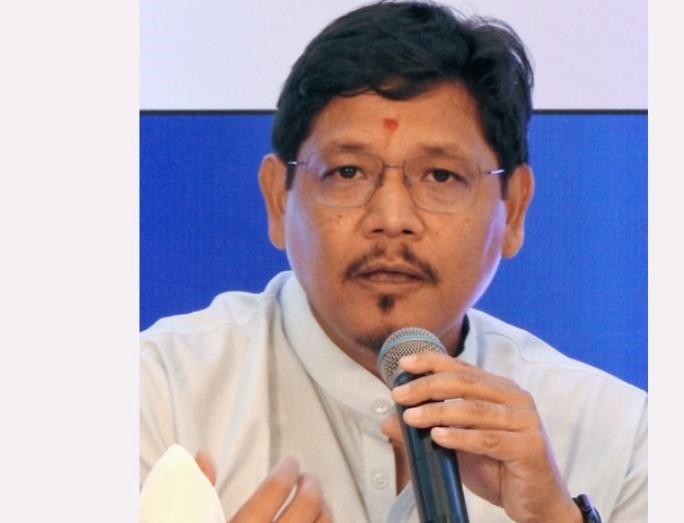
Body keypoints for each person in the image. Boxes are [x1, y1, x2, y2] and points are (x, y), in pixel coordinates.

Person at [140, 1, 647, 522]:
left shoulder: (620, 434)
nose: (391, 218)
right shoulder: (157, 394)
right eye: (347, 172)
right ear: (277, 199)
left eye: (440, 176)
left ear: (513, 209)